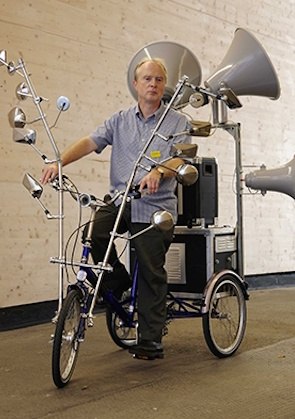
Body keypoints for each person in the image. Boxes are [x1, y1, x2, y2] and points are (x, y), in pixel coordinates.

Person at [41, 58, 191, 360]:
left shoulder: (177, 121)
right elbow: (90, 141)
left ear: (164, 85)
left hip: (155, 207)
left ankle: (150, 339)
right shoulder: (120, 120)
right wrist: (59, 162)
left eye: (159, 79)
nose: (153, 84)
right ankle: (121, 286)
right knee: (94, 234)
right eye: (147, 78)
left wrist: (158, 172)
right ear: (135, 84)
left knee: (150, 269)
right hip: (121, 200)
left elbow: (180, 158)